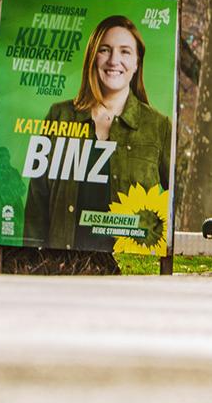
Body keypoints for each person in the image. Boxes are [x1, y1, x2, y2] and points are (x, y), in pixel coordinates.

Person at [23, 15, 172, 251]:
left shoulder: (158, 125)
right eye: (105, 50)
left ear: (136, 62)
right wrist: (31, 260)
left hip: (128, 270)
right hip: (62, 267)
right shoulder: (60, 115)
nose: (114, 60)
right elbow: (37, 198)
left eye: (125, 52)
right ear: (93, 57)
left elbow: (176, 199)